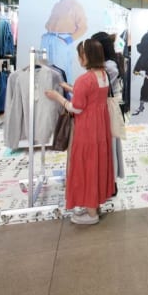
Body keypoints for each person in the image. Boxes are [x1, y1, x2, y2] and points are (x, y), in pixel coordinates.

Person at [45, 39, 114, 225]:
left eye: (80, 54)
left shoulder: (85, 79)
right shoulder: (103, 75)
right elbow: (91, 97)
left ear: (85, 56)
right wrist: (71, 88)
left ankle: (91, 214)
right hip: (100, 127)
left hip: (87, 128)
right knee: (97, 163)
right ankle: (94, 205)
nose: (78, 58)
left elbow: (76, 108)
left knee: (87, 165)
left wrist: (57, 96)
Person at [42, 0, 88, 80]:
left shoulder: (75, 5)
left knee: (61, 71)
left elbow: (83, 27)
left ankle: (65, 95)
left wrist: (69, 39)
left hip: (61, 41)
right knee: (46, 71)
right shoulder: (57, 5)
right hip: (49, 39)